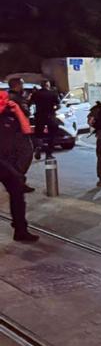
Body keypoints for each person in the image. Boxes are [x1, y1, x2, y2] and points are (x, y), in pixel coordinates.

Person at [0, 91, 37, 242]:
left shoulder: (11, 114)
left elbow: (27, 130)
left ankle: (20, 230)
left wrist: (17, 110)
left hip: (9, 164)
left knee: (17, 195)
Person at [30, 81, 60, 160]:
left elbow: (30, 103)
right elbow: (58, 105)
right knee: (52, 133)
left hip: (39, 116)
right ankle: (49, 153)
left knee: (39, 134)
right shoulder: (52, 94)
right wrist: (54, 109)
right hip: (50, 115)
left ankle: (39, 146)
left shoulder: (36, 94)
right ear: (48, 85)